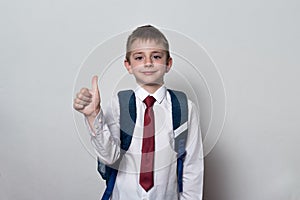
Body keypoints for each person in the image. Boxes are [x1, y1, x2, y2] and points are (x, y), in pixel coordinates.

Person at [73, 25, 203, 200]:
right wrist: (92, 115)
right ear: (128, 65)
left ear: (168, 63)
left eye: (156, 56)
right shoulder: (120, 104)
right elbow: (110, 157)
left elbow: (192, 166)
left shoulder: (184, 108)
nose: (148, 62)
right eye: (139, 57)